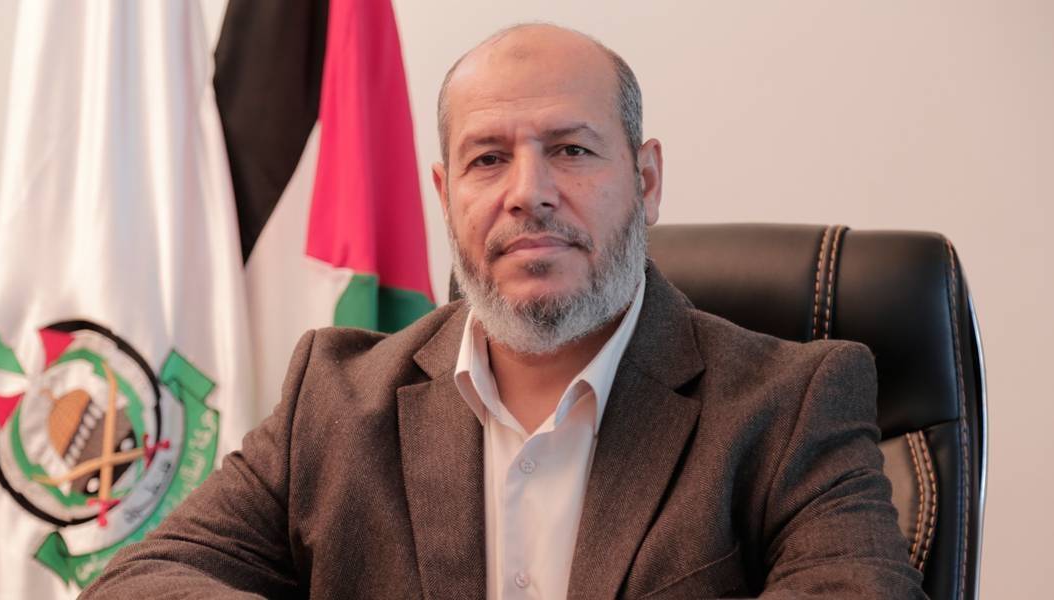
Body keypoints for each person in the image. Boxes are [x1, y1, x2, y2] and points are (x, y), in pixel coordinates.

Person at [83, 24, 924, 599]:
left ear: (646, 181)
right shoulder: (333, 401)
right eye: (488, 159)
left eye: (571, 149)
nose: (529, 194)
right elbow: (138, 582)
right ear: (445, 196)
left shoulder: (793, 406)